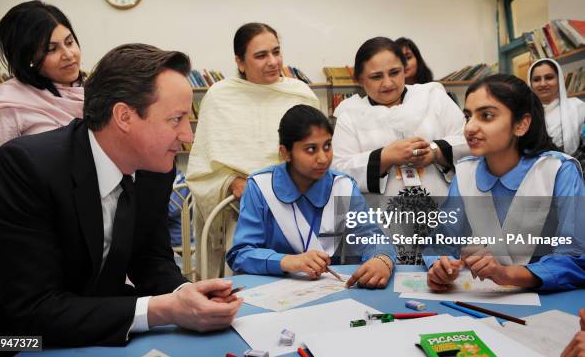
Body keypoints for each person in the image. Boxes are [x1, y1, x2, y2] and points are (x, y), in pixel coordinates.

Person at [0, 44, 242, 346]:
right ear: (124, 117)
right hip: (10, 341)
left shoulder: (155, 169)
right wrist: (163, 309)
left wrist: (185, 294)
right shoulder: (22, 170)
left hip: (95, 329)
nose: (187, 136)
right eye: (175, 120)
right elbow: (34, 309)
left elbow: (151, 260)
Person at [425, 74, 584, 292]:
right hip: (484, 297)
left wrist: (507, 274)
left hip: (550, 300)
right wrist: (440, 266)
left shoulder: (559, 170)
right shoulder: (465, 172)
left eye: (487, 116)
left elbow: (576, 256)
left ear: (521, 124)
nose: (470, 128)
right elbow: (442, 241)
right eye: (467, 117)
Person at [186, 23, 320, 279]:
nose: (272, 61)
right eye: (261, 56)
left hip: (298, 207)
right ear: (240, 61)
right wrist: (231, 183)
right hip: (240, 212)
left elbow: (318, 151)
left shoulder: (300, 93)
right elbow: (202, 167)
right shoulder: (220, 96)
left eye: (276, 52)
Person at [331, 37, 469, 264]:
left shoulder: (433, 98)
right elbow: (338, 170)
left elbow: (469, 142)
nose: (387, 83)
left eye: (394, 72)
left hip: (442, 212)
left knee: (444, 274)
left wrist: (434, 152)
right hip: (381, 221)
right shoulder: (350, 115)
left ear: (405, 69)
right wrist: (384, 157)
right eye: (376, 76)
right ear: (359, 80)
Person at [227, 105, 396, 287]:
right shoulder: (260, 187)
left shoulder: (342, 186)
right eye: (311, 149)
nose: (323, 158)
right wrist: (286, 261)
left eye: (327, 146)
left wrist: (382, 259)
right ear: (285, 153)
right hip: (271, 290)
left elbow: (371, 238)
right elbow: (241, 254)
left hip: (328, 291)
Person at [0, 0, 85, 187]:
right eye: (51, 49)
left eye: (69, 42)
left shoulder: (89, 92)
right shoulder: (9, 107)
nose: (68, 54)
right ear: (28, 58)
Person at [527, 58, 585, 156]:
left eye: (549, 77)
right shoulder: (525, 114)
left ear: (559, 79)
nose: (543, 84)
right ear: (530, 84)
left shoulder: (577, 107)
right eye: (536, 79)